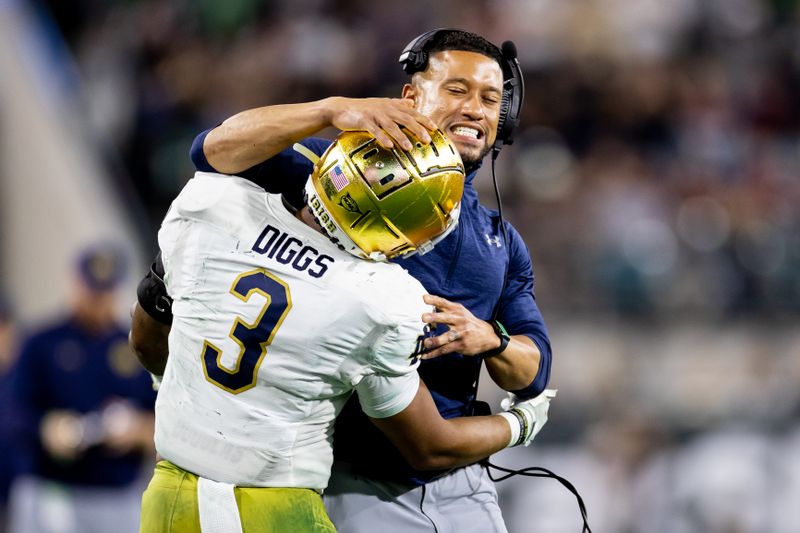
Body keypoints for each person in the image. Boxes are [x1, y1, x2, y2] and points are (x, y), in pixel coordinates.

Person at [187, 28, 551, 532]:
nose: (475, 109)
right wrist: (329, 111)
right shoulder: (342, 170)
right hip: (347, 477)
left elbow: (534, 371)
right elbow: (212, 151)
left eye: (491, 99)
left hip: (462, 480)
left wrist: (492, 339)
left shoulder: (501, 241)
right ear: (411, 97)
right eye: (457, 90)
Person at [7, 245, 157, 533]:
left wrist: (137, 430)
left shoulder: (136, 348)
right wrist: (46, 428)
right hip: (51, 489)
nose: (97, 301)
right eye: (91, 290)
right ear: (74, 284)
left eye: (105, 292)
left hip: (116, 496)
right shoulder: (42, 343)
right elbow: (12, 410)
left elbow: (163, 420)